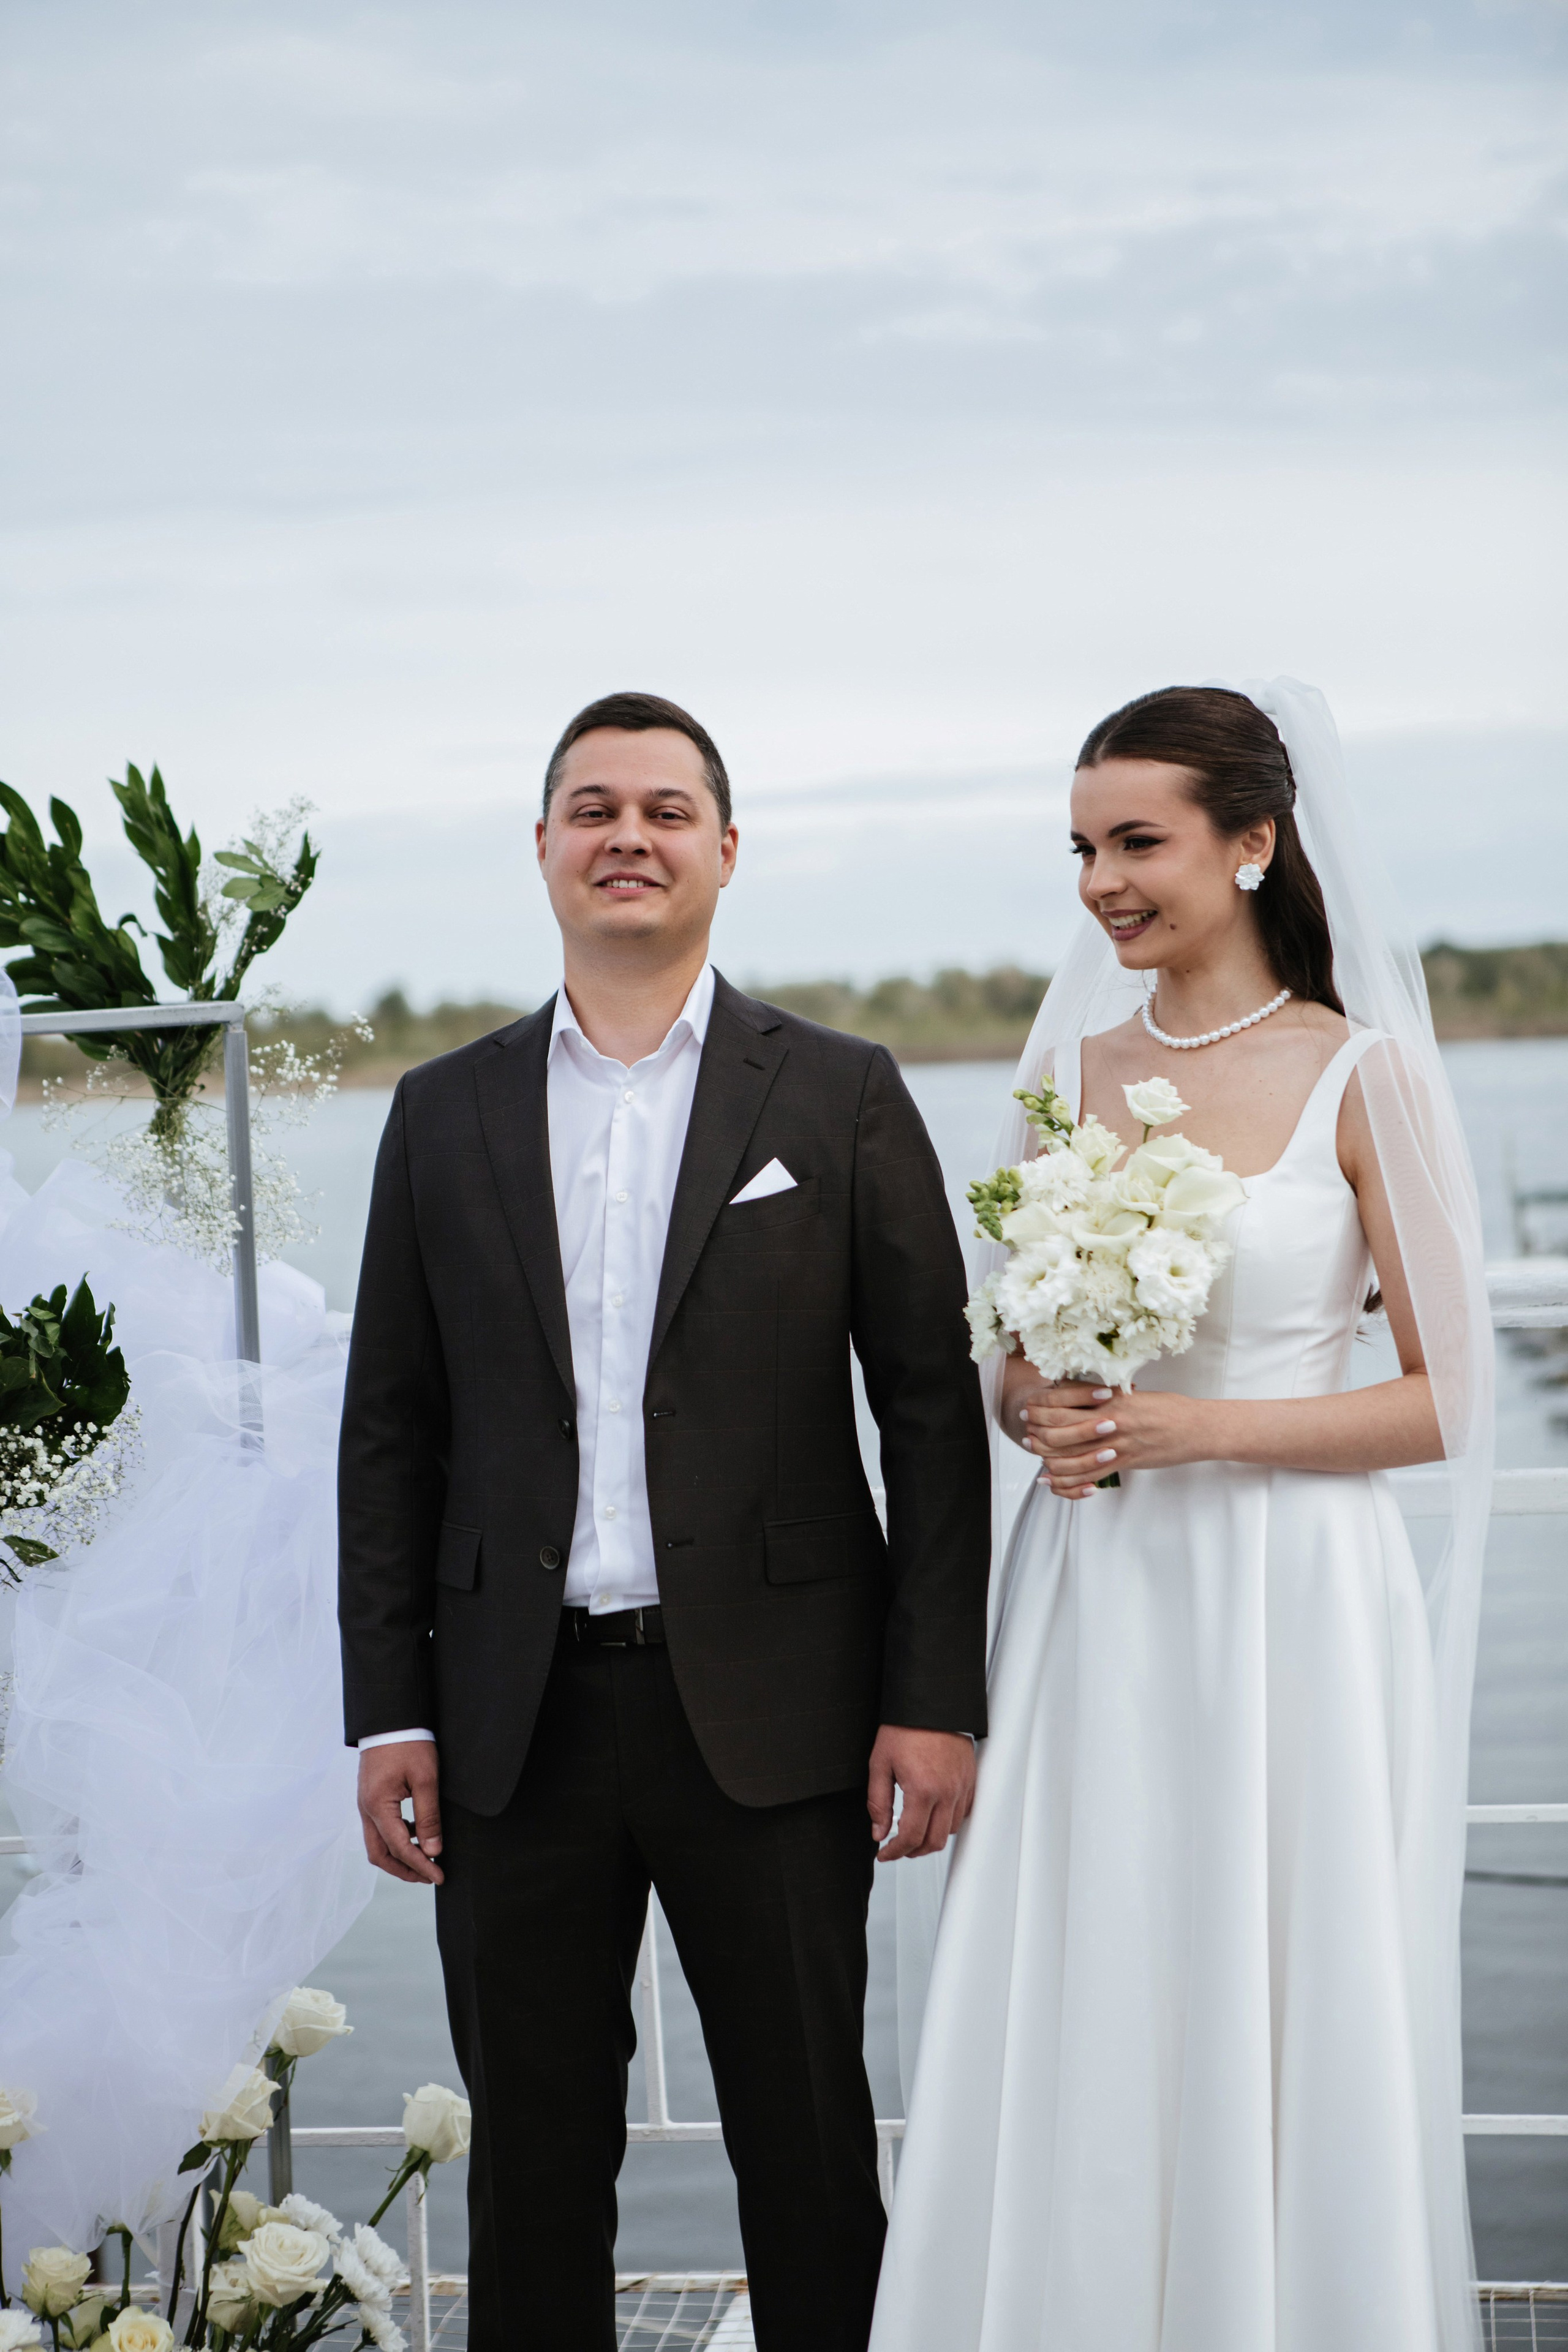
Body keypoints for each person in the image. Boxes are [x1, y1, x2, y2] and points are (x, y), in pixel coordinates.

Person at [337, 690, 992, 2351]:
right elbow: (391, 1430)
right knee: (533, 2167)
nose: (628, 836)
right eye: (594, 808)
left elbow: (930, 1412)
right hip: (512, 1721)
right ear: (545, 846)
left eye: (665, 809)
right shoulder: (441, 1109)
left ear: (726, 849)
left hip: (781, 1717)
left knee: (810, 2145)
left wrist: (935, 1697)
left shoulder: (840, 1092)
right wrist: (389, 1707)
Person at [872, 682, 1493, 2352]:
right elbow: (1010, 1357)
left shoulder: (1363, 1076)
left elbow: (1452, 1397)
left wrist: (1195, 1427)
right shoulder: (1068, 1073)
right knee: (1095, 1953)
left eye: (1137, 843)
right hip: (1095, 1593)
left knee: (1281, 1960)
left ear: (1254, 843)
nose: (1102, 884)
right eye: (1082, 850)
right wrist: (1040, 1406)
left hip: (1293, 1600)